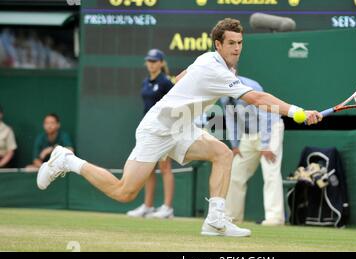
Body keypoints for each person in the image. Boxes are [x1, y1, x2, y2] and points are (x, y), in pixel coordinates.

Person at [36, 18, 323, 237]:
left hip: (181, 126)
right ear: (218, 45)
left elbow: (185, 75)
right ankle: (68, 160)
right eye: (231, 43)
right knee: (125, 192)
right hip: (158, 129)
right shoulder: (216, 69)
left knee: (223, 154)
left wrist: (184, 95)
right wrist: (297, 112)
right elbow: (258, 98)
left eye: (240, 43)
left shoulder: (211, 61)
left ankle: (215, 220)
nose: (237, 48)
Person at [222, 76, 285, 226]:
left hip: (270, 130)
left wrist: (265, 145)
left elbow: (265, 115)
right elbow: (230, 119)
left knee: (270, 172)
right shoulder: (223, 92)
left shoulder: (251, 86)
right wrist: (235, 144)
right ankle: (232, 217)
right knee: (235, 174)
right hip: (248, 135)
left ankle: (275, 218)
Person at [127, 49, 175, 219]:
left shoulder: (166, 83)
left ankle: (168, 208)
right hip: (148, 130)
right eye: (149, 60)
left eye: (155, 61)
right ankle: (148, 206)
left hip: (164, 130)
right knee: (148, 168)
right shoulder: (145, 82)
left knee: (165, 167)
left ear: (161, 63)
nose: (151, 64)